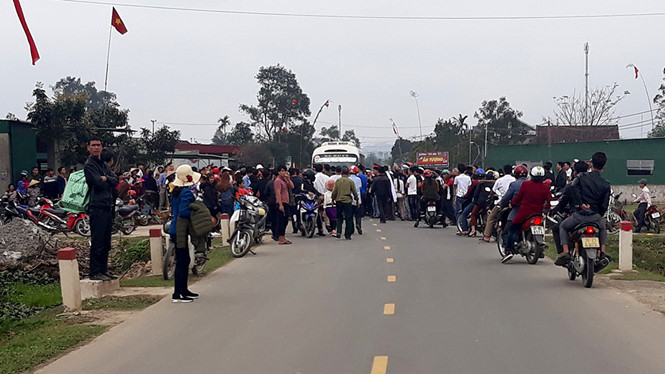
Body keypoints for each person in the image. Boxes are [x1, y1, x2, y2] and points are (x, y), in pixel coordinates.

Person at [555, 152, 611, 266]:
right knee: (603, 228)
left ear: (591, 164)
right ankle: (603, 252)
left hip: (579, 216)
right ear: (604, 166)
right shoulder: (606, 184)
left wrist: (580, 204)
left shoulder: (581, 177)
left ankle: (565, 252)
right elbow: (605, 204)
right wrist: (598, 214)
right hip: (595, 217)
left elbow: (573, 187)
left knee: (563, 226)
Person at [84, 137, 119, 281]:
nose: (96, 148)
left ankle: (103, 270)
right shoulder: (89, 165)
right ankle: (95, 272)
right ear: (88, 147)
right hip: (97, 206)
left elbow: (115, 180)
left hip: (108, 205)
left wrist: (106, 178)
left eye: (98, 145)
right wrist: (106, 179)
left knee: (106, 241)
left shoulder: (104, 165)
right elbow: (98, 183)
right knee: (97, 241)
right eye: (93, 145)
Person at [501, 166, 552, 263]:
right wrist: (545, 212)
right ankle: (540, 249)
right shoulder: (546, 187)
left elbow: (519, 197)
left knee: (512, 230)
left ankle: (508, 250)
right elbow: (549, 201)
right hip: (537, 213)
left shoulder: (526, 185)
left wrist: (512, 203)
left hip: (524, 212)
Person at [168, 164, 201, 303]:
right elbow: (183, 211)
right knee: (182, 261)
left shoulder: (175, 191)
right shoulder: (186, 193)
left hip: (175, 228)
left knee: (183, 260)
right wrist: (195, 211)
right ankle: (178, 293)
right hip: (180, 230)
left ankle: (183, 289)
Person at [498, 165, 529, 262]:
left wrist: (502, 204)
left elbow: (507, 198)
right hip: (532, 211)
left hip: (518, 210)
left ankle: (508, 250)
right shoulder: (530, 183)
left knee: (508, 230)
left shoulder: (514, 185)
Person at [481, 165, 515, 242]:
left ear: (504, 171)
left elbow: (493, 191)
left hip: (502, 202)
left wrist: (491, 196)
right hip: (513, 203)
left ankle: (487, 236)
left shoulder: (500, 180)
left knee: (491, 218)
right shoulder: (514, 180)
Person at [332, 166, 359, 239]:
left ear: (341, 173)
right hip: (347, 201)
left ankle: (339, 231)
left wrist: (332, 199)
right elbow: (354, 192)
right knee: (349, 218)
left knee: (339, 217)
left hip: (339, 201)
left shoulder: (338, 181)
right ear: (348, 173)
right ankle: (347, 234)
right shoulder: (350, 181)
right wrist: (357, 200)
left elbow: (335, 191)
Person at [274, 165, 294, 245]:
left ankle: (283, 237)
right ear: (278, 172)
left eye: (284, 171)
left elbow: (292, 186)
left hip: (286, 202)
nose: (283, 172)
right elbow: (277, 193)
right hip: (281, 202)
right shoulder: (278, 181)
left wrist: (288, 179)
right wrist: (280, 204)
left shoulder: (284, 180)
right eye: (281, 171)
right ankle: (280, 238)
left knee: (285, 220)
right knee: (281, 221)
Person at [349, 166, 363, 234]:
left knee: (350, 215)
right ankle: (358, 225)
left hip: (349, 199)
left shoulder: (348, 179)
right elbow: (359, 188)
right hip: (357, 199)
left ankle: (351, 229)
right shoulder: (358, 179)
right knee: (358, 214)